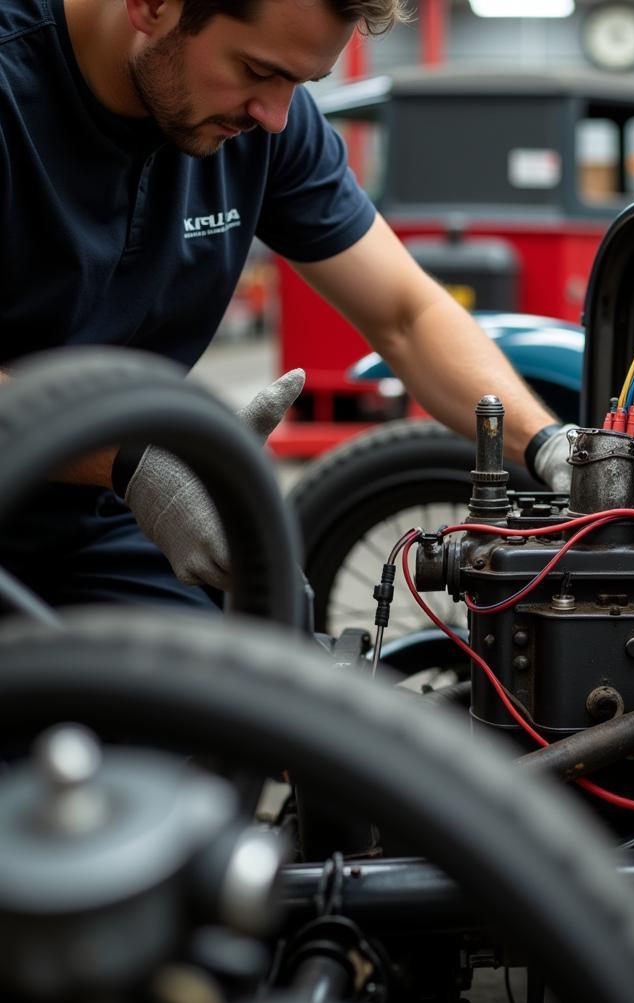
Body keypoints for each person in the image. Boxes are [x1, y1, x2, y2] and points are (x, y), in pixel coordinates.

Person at [0, 0, 573, 610]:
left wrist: (549, 444)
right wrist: (134, 460)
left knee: (270, 648)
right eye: (255, 70)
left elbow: (407, 315)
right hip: (91, 477)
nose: (274, 117)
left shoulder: (263, 126)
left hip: (99, 505)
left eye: (299, 84)